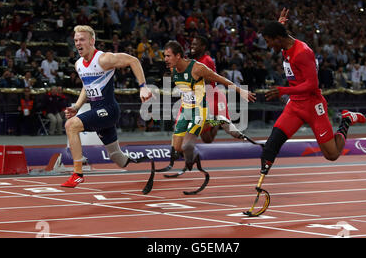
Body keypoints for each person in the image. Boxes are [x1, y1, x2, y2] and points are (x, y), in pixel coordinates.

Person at [260, 9, 366, 176]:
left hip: (313, 105)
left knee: (332, 155)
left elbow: (312, 85)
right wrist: (279, 22)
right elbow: (280, 33)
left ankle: (346, 120)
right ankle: (261, 179)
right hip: (295, 105)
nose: (268, 46)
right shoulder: (283, 43)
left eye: (268, 42)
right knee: (272, 144)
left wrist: (283, 90)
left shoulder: (303, 53)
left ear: (278, 39)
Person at [61, 25, 153, 188]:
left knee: (71, 125)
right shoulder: (79, 65)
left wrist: (143, 86)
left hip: (109, 110)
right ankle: (144, 161)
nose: (78, 43)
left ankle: (77, 174)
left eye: (82, 39)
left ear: (92, 41)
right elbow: (86, 86)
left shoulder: (104, 59)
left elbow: (133, 60)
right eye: (76, 40)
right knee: (117, 158)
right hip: (97, 111)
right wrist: (77, 106)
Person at [163, 40, 256, 171]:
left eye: (168, 56)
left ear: (178, 56)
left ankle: (216, 120)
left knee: (189, 145)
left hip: (199, 109)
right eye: (164, 56)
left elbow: (220, 79)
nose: (165, 59)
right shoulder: (173, 69)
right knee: (177, 148)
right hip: (186, 109)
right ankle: (214, 122)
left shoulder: (198, 67)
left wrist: (240, 90)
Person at [189, 35, 244, 143]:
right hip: (200, 98)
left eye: (195, 44)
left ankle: (217, 121)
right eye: (192, 44)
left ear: (203, 47)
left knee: (206, 135)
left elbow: (209, 81)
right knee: (207, 139)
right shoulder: (193, 61)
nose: (192, 46)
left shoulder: (207, 60)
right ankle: (216, 121)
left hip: (210, 97)